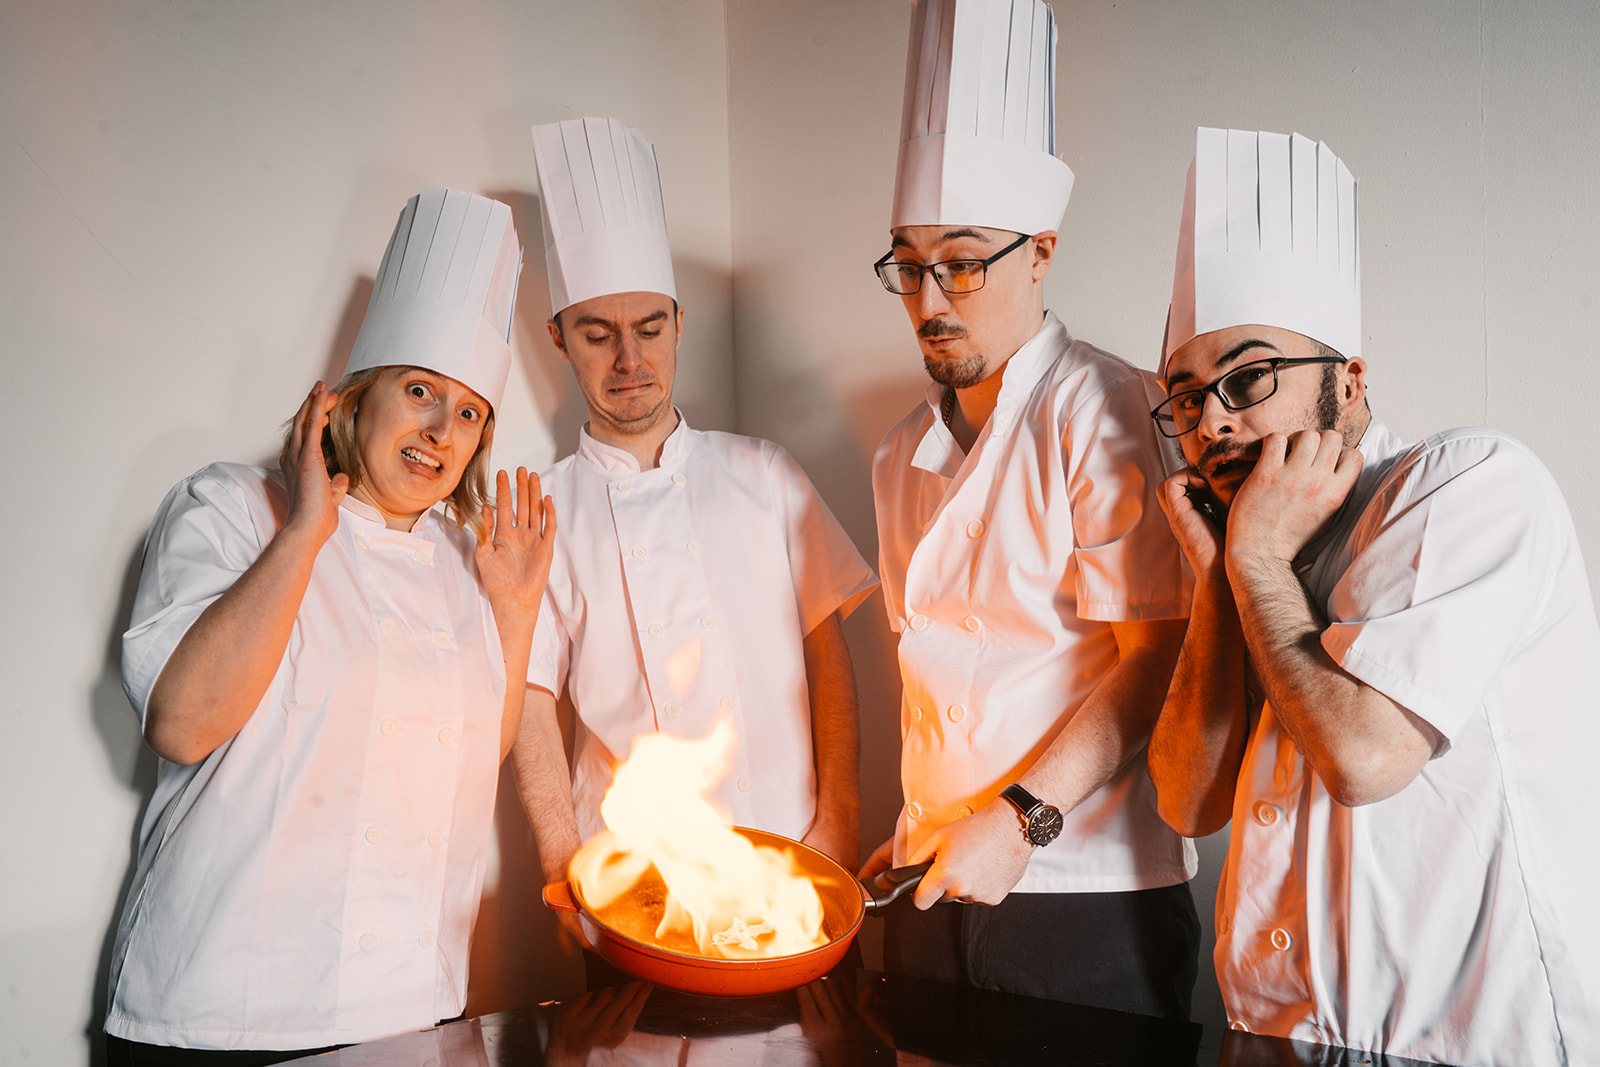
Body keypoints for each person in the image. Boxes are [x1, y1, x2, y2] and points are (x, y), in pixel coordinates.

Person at [1148, 127, 1600, 1065]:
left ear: (1349, 383)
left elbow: (1361, 757)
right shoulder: (1255, 547)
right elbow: (1188, 800)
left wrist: (1256, 562)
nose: (1212, 421)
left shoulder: (1469, 483)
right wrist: (1220, 576)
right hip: (1270, 1036)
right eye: (1186, 397)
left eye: (1249, 376)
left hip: (1464, 1046)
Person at [104, 190, 555, 1063]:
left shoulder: (467, 561)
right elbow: (182, 723)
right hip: (223, 1009)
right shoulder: (234, 506)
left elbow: (471, 760)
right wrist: (305, 533)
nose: (440, 430)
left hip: (408, 1010)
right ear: (355, 396)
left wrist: (515, 608)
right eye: (420, 391)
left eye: (469, 412)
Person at [861, 0, 1200, 1019]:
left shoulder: (1106, 405)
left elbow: (1155, 653)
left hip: (1084, 898)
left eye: (963, 261)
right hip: (932, 874)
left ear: (1041, 250)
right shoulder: (897, 455)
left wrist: (1017, 820)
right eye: (908, 265)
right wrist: (919, 822)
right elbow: (942, 677)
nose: (930, 300)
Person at [511, 118, 878, 942]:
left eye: (648, 328)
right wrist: (559, 862)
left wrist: (842, 814)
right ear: (559, 338)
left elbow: (827, 650)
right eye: (598, 334)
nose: (629, 359)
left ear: (679, 323)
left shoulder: (766, 473)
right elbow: (531, 701)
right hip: (627, 887)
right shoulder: (544, 507)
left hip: (789, 863)